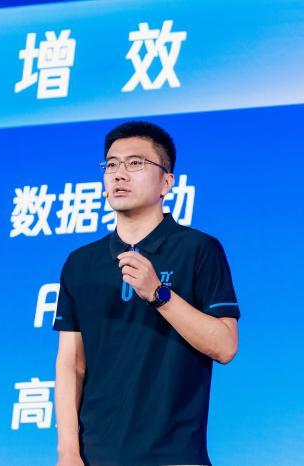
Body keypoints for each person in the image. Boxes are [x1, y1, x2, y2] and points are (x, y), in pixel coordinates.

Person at [53, 120, 241, 466]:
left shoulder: (198, 249)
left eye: (135, 163)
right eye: (111, 165)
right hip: (96, 457)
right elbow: (71, 364)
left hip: (175, 456)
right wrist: (68, 451)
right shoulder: (80, 263)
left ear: (166, 182)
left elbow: (225, 346)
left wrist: (158, 293)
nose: (119, 174)